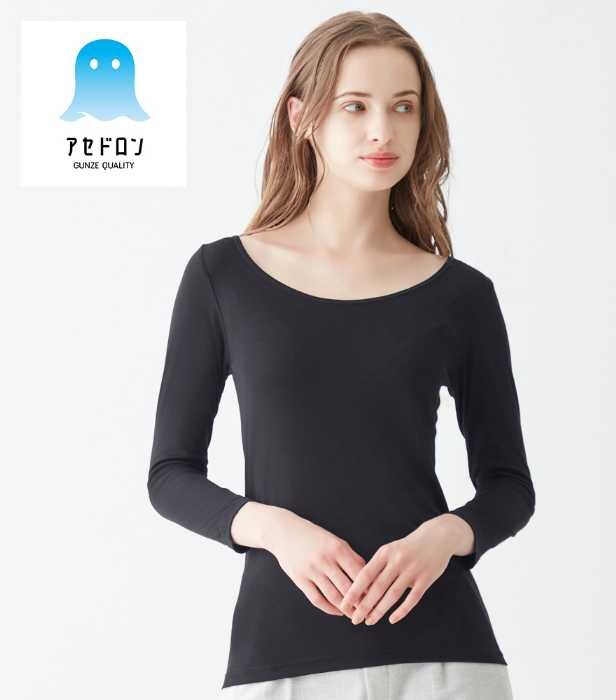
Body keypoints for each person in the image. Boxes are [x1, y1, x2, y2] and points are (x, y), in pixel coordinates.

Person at [147, 10, 535, 699]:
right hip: (281, 658)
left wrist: (444, 536)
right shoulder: (222, 277)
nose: (383, 130)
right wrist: (274, 529)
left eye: (403, 107)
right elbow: (170, 475)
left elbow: (509, 486)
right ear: (302, 117)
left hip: (446, 658)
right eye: (355, 106)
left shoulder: (461, 294)